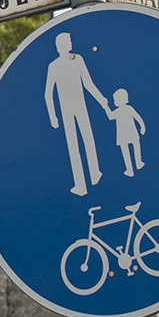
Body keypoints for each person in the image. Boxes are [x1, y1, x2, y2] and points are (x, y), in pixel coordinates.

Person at [43, 32, 112, 197]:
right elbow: (47, 93)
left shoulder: (78, 59)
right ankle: (80, 184)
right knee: (73, 146)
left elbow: (88, 83)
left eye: (68, 41)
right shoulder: (53, 65)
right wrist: (52, 116)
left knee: (88, 140)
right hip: (66, 110)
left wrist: (102, 100)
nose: (67, 44)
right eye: (64, 42)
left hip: (80, 106)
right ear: (59, 46)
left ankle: (95, 175)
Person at [109, 87, 146, 177]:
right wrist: (142, 126)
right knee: (135, 145)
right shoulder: (128, 108)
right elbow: (138, 117)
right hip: (130, 132)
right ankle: (137, 163)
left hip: (123, 134)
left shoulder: (121, 110)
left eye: (115, 99)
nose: (114, 101)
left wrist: (106, 107)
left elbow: (110, 116)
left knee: (127, 150)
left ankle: (130, 169)